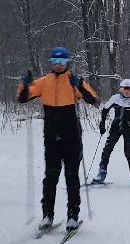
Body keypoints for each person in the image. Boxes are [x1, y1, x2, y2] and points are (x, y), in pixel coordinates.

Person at [17, 47, 99, 230]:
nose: (59, 66)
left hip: (72, 136)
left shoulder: (73, 81)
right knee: (51, 177)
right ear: (50, 63)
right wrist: (24, 83)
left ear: (67, 63)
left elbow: (93, 99)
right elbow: (22, 98)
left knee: (72, 177)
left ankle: (73, 215)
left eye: (62, 62)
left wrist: (79, 85)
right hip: (52, 137)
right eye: (55, 62)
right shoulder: (44, 82)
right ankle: (47, 214)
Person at [93, 78, 130, 189]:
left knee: (128, 153)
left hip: (128, 130)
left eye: (129, 89)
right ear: (121, 89)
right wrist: (102, 124)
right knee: (107, 150)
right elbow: (105, 110)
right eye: (125, 88)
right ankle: (101, 174)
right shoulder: (115, 99)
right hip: (115, 128)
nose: (127, 91)